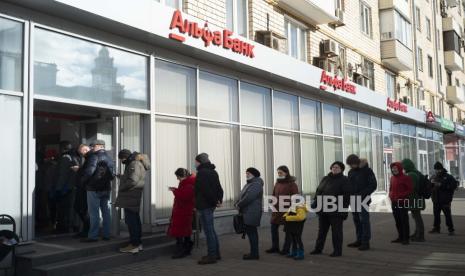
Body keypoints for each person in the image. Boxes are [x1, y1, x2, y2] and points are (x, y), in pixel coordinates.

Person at [310, 161, 351, 257]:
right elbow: (319, 191)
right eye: (333, 167)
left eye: (337, 167)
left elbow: (347, 196)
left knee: (336, 232)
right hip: (323, 210)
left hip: (336, 210)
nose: (334, 169)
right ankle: (318, 249)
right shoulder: (325, 178)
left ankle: (337, 251)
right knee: (322, 231)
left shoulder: (344, 180)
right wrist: (316, 202)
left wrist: (340, 208)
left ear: (341, 169)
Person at [115, 149, 151, 253]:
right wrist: (122, 177)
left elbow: (133, 181)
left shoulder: (133, 163)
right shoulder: (136, 163)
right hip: (133, 196)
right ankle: (137, 244)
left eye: (121, 159)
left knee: (131, 222)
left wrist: (122, 187)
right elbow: (133, 178)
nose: (121, 161)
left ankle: (134, 245)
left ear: (124, 157)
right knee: (134, 220)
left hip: (130, 196)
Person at [80, 139, 115, 242]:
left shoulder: (94, 156)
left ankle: (93, 236)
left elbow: (89, 172)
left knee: (94, 213)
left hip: (93, 188)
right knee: (106, 212)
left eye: (93, 146)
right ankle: (106, 234)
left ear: (100, 146)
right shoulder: (109, 158)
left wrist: (82, 182)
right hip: (106, 188)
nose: (91, 148)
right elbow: (112, 175)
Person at [194, 153, 224, 265]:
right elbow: (219, 188)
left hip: (204, 205)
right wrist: (219, 200)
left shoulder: (202, 173)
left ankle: (212, 255)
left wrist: (214, 201)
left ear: (200, 162)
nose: (195, 164)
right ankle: (216, 253)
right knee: (211, 230)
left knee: (209, 231)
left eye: (196, 161)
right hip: (210, 205)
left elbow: (206, 191)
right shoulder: (213, 171)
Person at [346, 154, 377, 251]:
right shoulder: (351, 172)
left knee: (364, 221)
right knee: (357, 220)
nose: (350, 166)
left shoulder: (367, 171)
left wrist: (361, 195)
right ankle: (358, 240)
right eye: (349, 165)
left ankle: (365, 242)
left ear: (356, 162)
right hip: (353, 200)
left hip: (363, 200)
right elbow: (349, 185)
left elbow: (373, 185)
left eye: (352, 164)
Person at [266, 165, 299, 255]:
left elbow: (295, 198)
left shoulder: (292, 184)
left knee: (288, 231)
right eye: (278, 172)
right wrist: (271, 201)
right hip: (276, 210)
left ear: (286, 173)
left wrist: (292, 210)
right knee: (273, 228)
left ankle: (286, 249)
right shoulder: (277, 183)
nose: (279, 174)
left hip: (287, 210)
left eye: (281, 172)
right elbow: (274, 194)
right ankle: (275, 247)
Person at [235, 167, 264, 261]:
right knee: (251, 232)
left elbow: (249, 197)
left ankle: (254, 254)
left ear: (254, 174)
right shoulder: (249, 184)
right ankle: (253, 253)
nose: (246, 175)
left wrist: (239, 204)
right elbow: (242, 195)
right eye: (246, 173)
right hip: (247, 212)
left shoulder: (256, 184)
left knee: (252, 233)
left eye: (248, 173)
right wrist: (236, 202)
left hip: (252, 212)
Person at [167, 168, 196, 259]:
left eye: (178, 177)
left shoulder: (188, 184)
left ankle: (181, 251)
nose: (177, 179)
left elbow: (185, 196)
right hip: (183, 211)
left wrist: (175, 191)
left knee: (181, 232)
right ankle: (186, 249)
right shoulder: (187, 183)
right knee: (185, 232)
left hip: (183, 211)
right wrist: (175, 190)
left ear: (182, 176)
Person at [53, 141, 80, 234]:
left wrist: (58, 188)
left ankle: (65, 227)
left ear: (62, 148)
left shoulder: (65, 157)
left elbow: (63, 175)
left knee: (64, 208)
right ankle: (73, 226)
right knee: (72, 207)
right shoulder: (76, 157)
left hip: (66, 187)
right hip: (74, 186)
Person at [429, 162, 457, 235]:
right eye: (436, 170)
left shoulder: (448, 177)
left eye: (438, 169)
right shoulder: (433, 177)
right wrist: (430, 184)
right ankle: (436, 228)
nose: (437, 171)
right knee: (436, 215)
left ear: (442, 169)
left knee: (447, 215)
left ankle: (451, 230)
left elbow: (454, 186)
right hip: (436, 199)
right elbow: (429, 187)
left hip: (445, 200)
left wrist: (441, 185)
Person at [401, 158, 425, 242]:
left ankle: (420, 235)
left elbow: (412, 187)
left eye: (403, 165)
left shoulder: (411, 174)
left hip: (414, 198)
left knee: (417, 217)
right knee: (416, 216)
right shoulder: (415, 172)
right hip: (416, 198)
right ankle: (417, 233)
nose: (403, 167)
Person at [389, 162, 413, 245]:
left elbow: (410, 189)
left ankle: (406, 238)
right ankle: (400, 236)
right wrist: (390, 195)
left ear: (399, 169)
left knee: (404, 220)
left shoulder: (406, 178)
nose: (394, 170)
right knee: (397, 220)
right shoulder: (392, 178)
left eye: (395, 168)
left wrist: (400, 195)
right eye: (393, 169)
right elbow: (391, 188)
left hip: (403, 201)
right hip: (394, 201)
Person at [73, 144, 91, 238]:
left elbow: (88, 172)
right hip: (82, 187)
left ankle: (87, 230)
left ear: (86, 149)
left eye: (82, 152)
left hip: (84, 187)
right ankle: (86, 230)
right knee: (79, 208)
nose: (82, 154)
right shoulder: (88, 158)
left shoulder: (91, 158)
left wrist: (79, 170)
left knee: (82, 209)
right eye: (80, 153)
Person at [283, 195, 308, 260]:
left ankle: (300, 254)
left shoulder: (300, 208)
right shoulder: (294, 207)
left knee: (298, 240)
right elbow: (288, 212)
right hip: (292, 226)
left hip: (297, 227)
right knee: (293, 240)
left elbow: (300, 217)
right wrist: (285, 216)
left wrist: (288, 218)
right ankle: (294, 252)